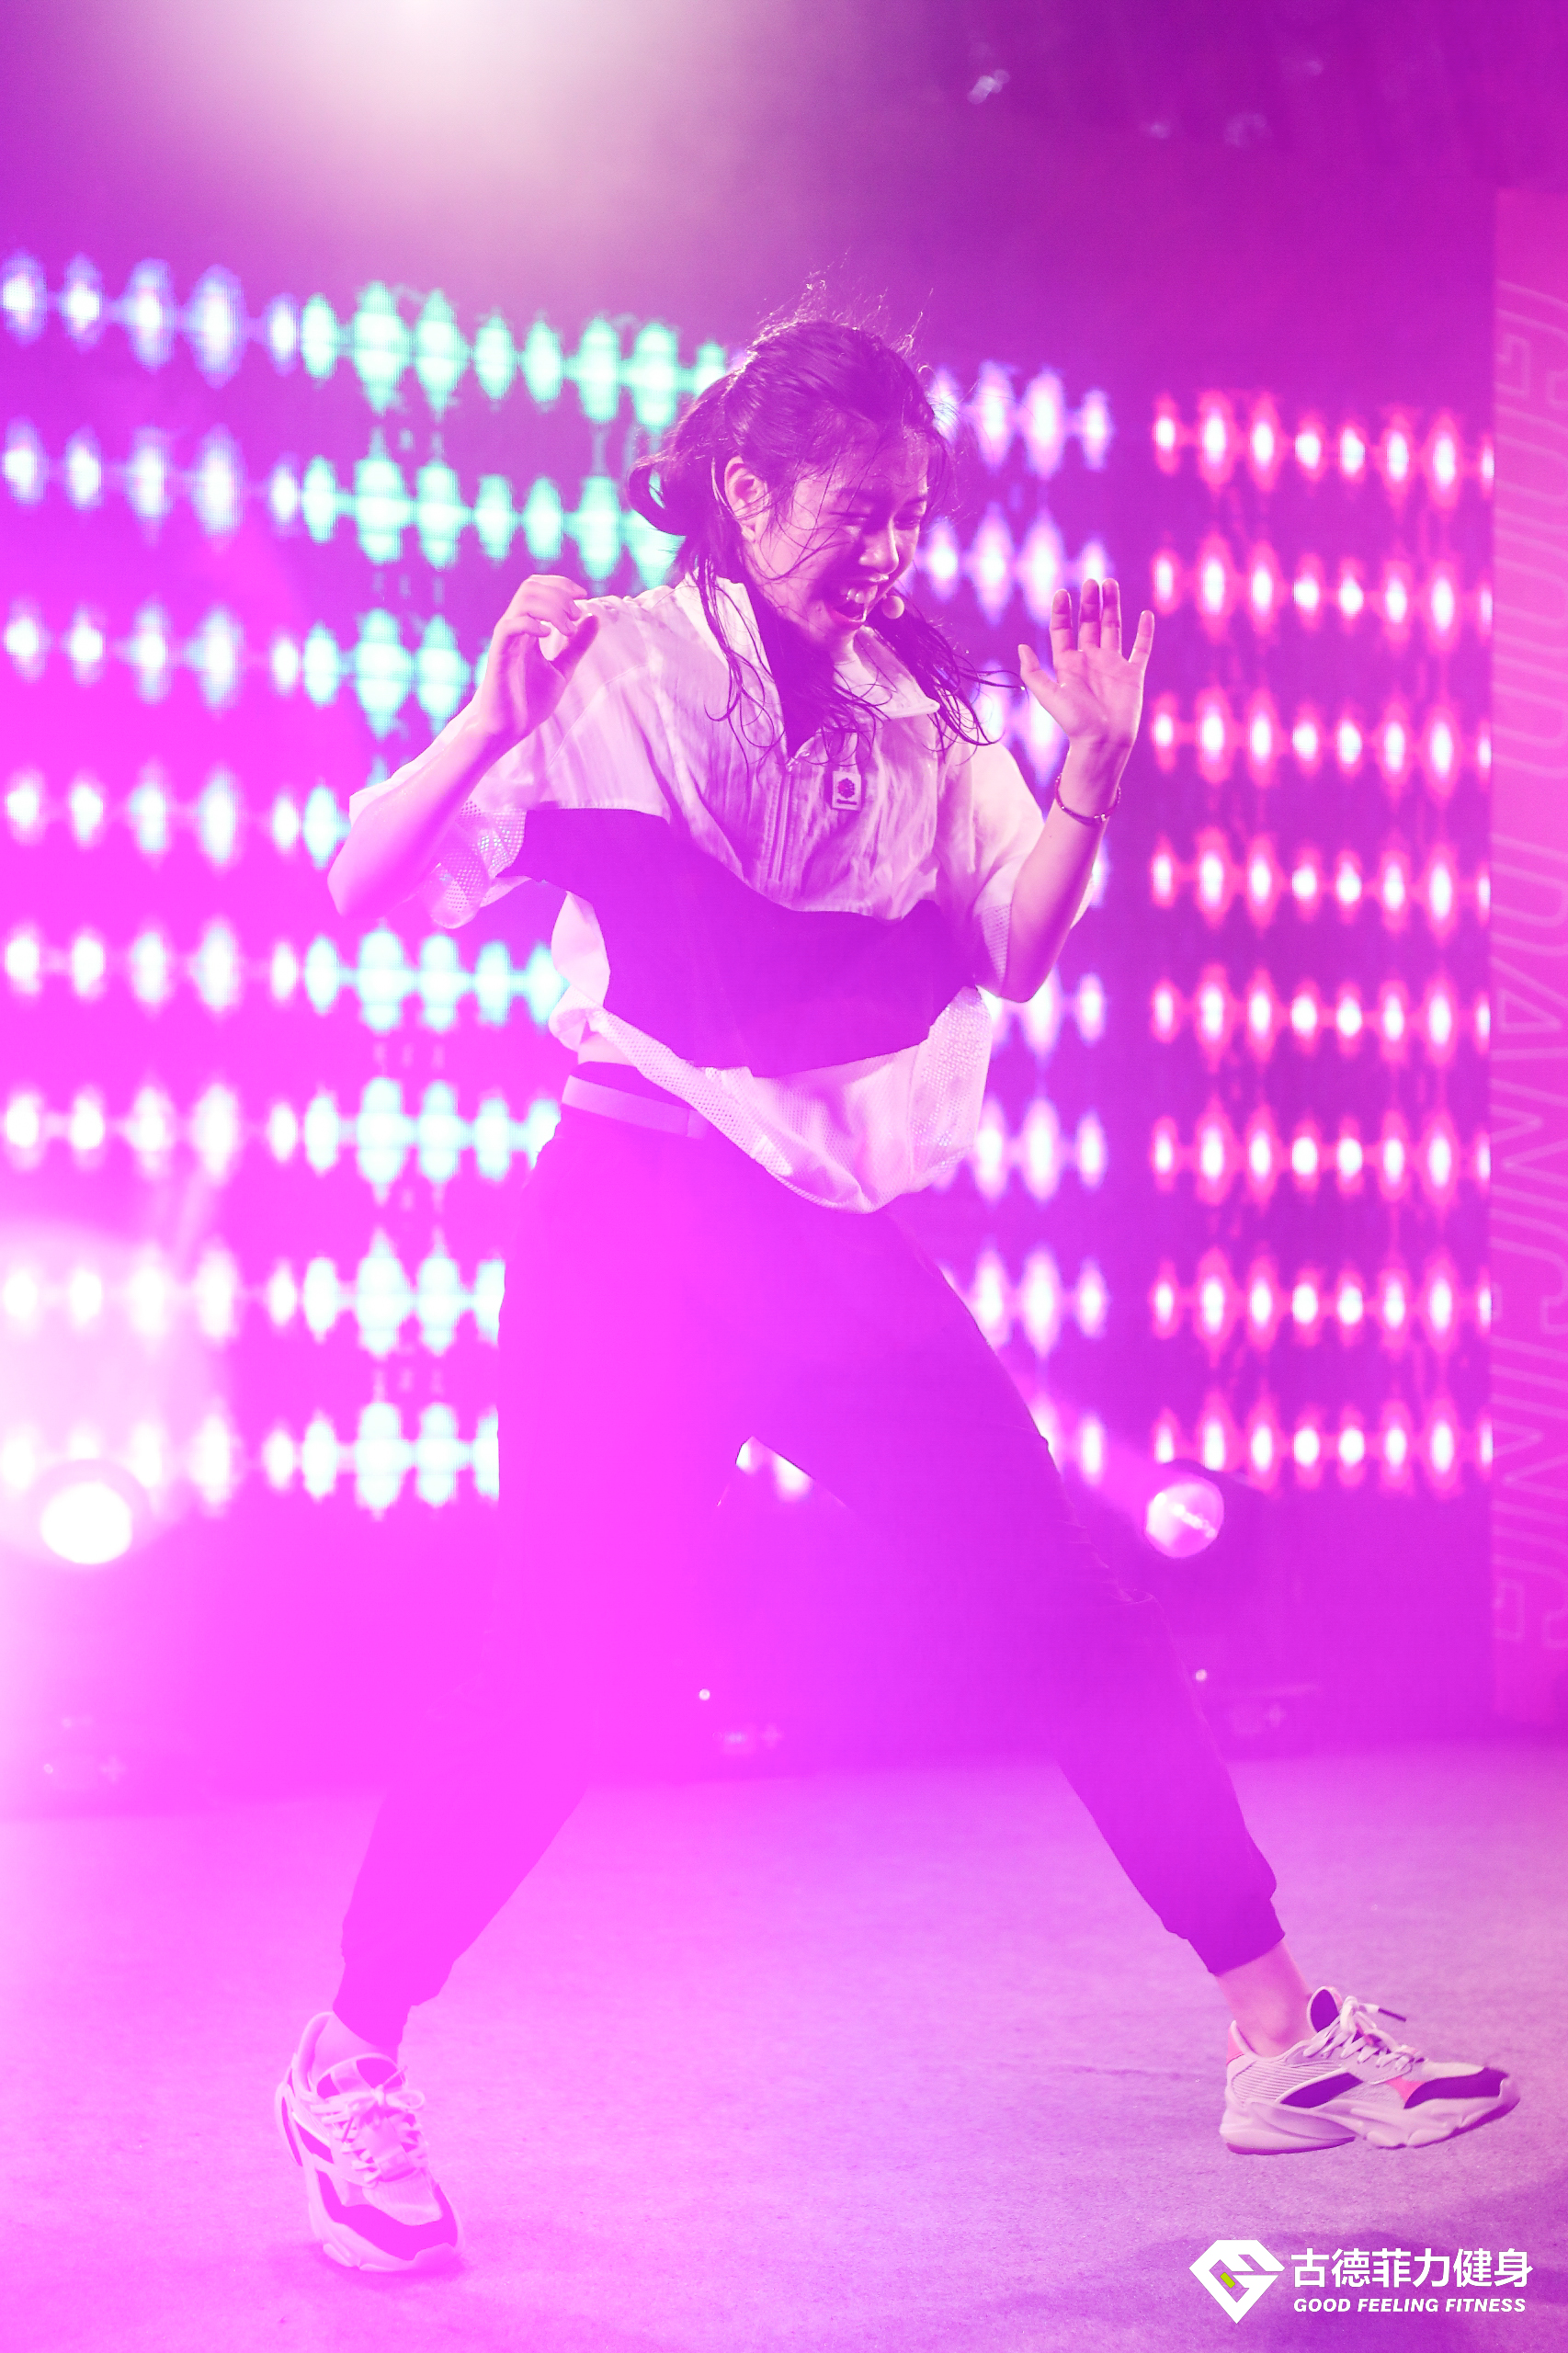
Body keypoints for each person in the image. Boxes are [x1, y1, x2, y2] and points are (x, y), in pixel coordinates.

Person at [274, 316, 1517, 2273]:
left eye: (915, 516)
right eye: (855, 511)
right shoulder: (611, 665)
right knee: (567, 1663)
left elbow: (1013, 946)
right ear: (745, 491)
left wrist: (1090, 772)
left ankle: (1278, 2039)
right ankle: (351, 2058)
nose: (889, 549)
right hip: (635, 1217)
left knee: (1068, 1608)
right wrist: (481, 729)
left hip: (827, 1245)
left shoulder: (923, 716)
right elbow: (357, 886)